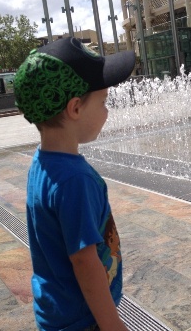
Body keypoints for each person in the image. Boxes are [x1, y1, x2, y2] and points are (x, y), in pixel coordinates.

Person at [13, 37, 135, 331]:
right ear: (75, 108)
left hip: (57, 310)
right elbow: (85, 261)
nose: (108, 111)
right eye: (104, 102)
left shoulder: (43, 163)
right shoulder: (75, 180)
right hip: (84, 319)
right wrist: (112, 324)